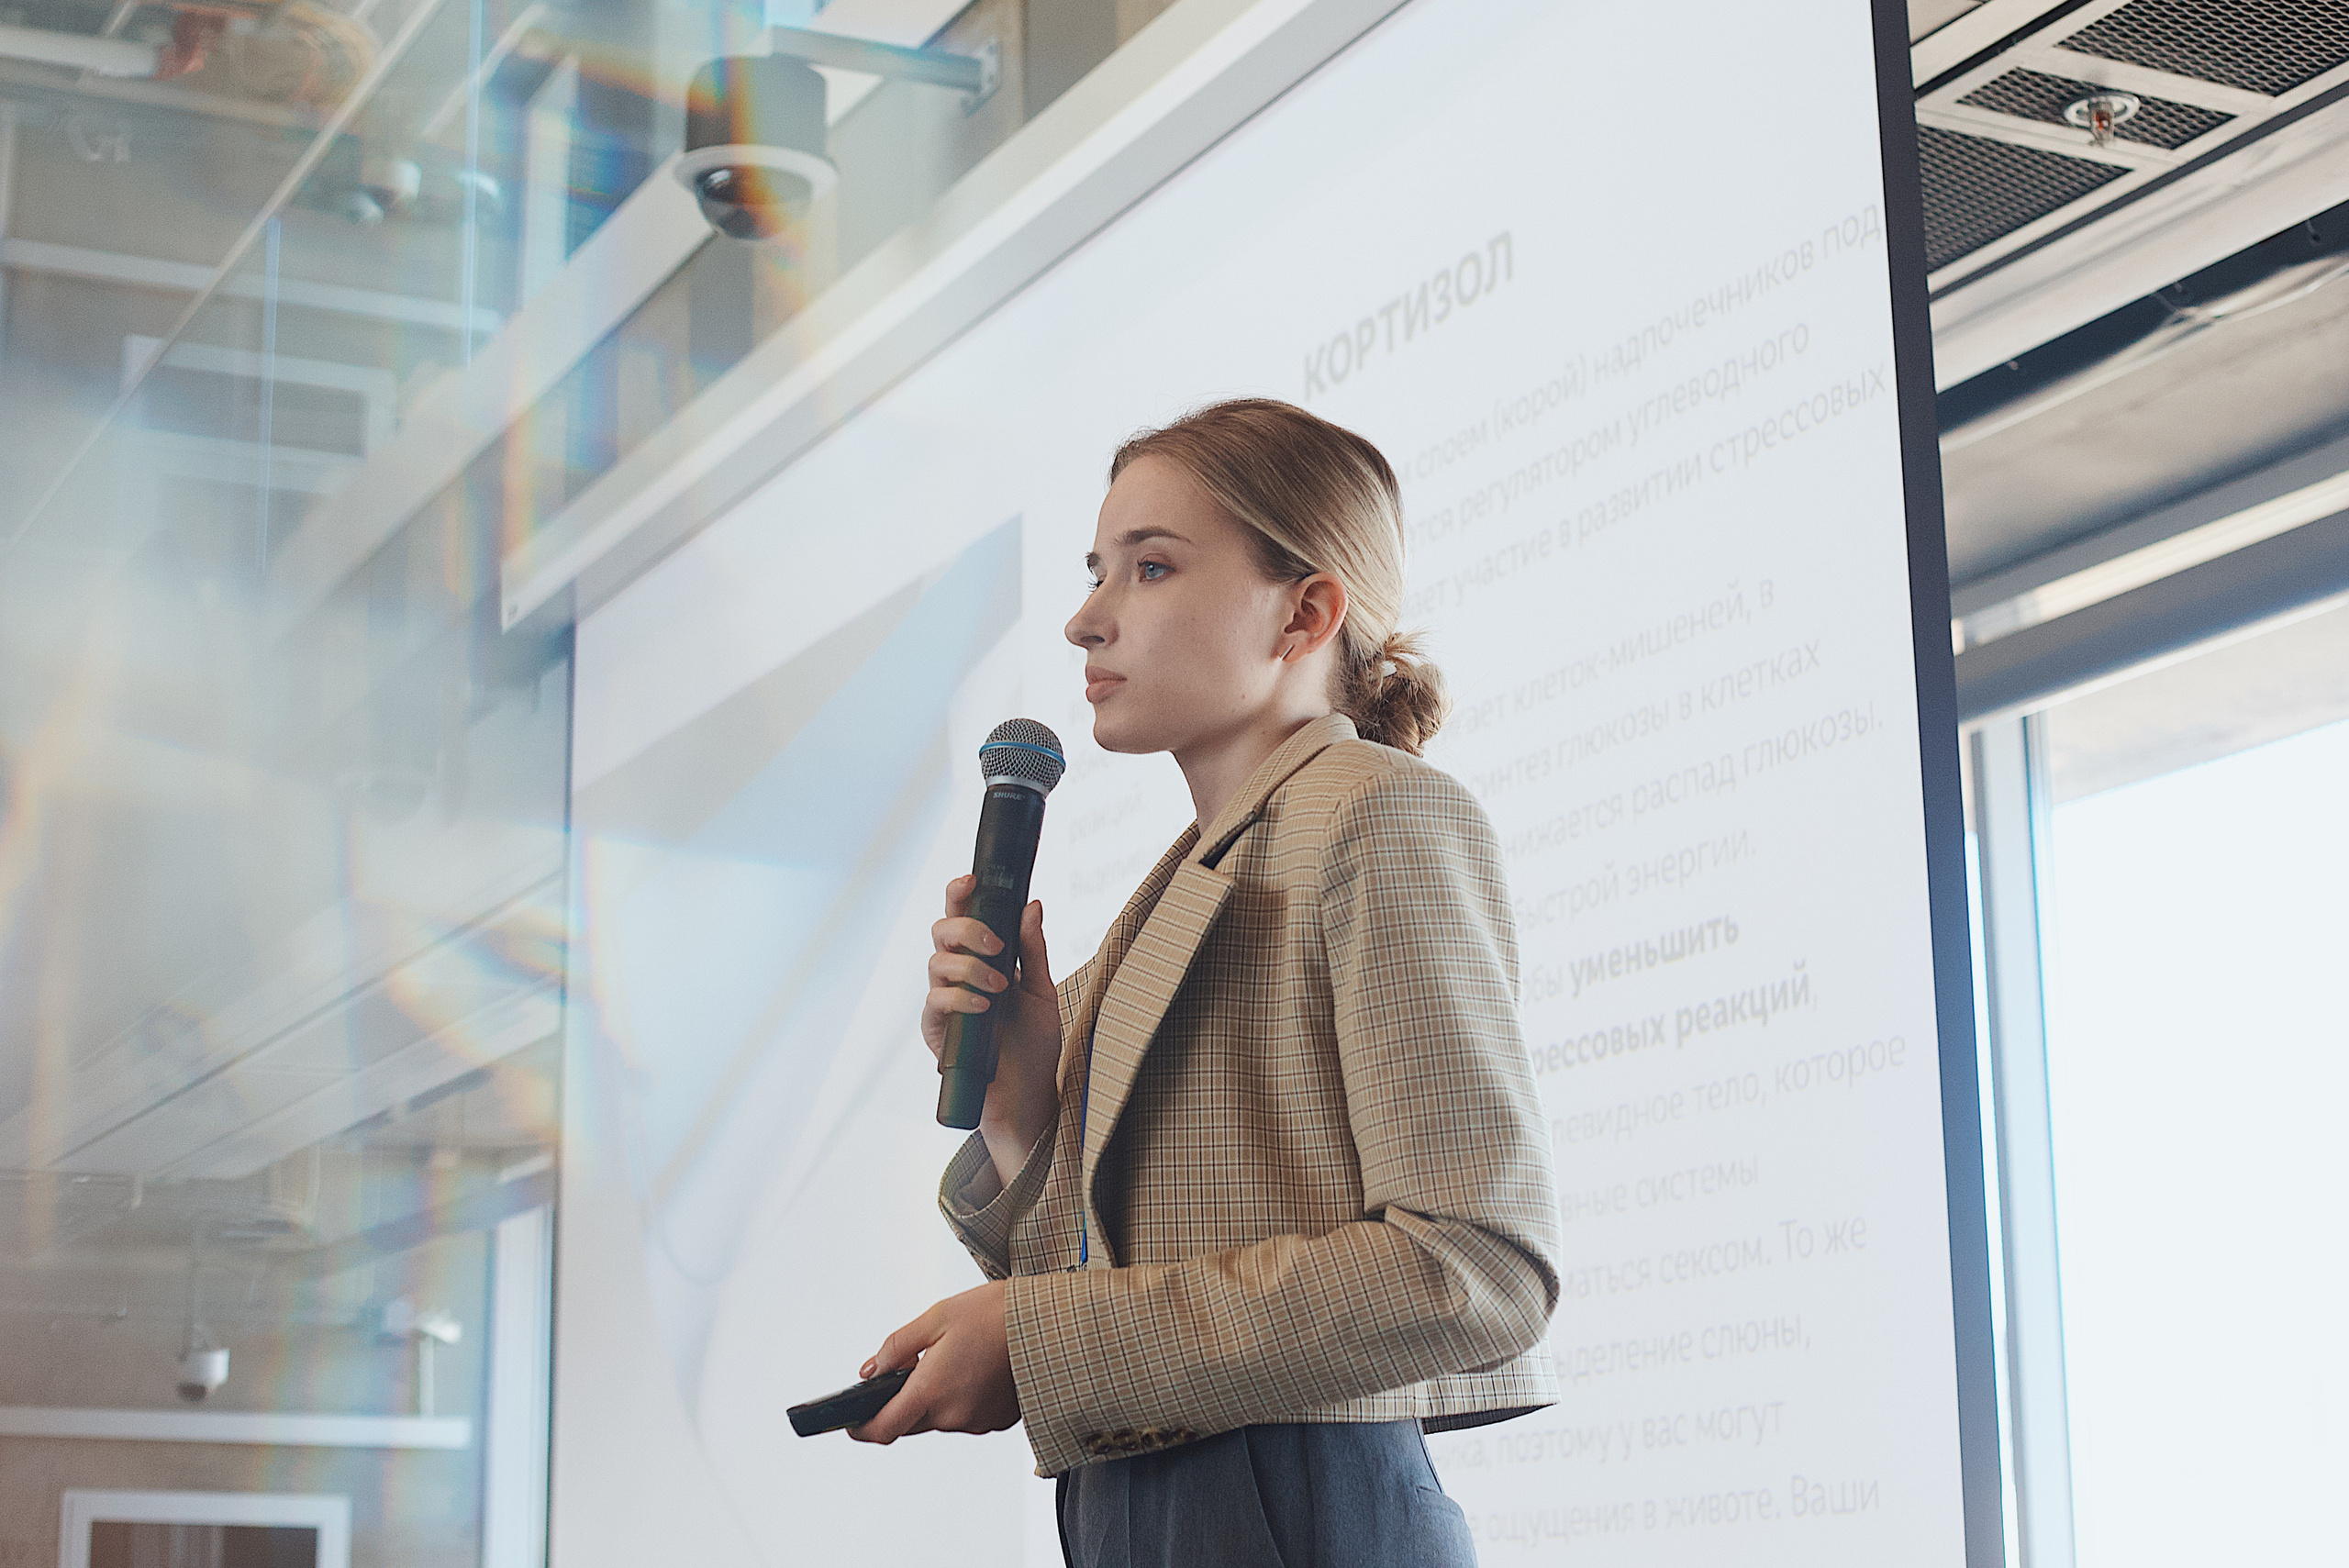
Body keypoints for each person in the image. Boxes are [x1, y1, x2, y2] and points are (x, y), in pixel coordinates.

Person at [852, 398, 1561, 1566]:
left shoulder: (1378, 816)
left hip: (1295, 1498)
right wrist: (1025, 1117)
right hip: (1158, 1499)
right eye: (1096, 571)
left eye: (1151, 566)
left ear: (1306, 610)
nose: (1086, 619)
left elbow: (1478, 1265)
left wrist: (1038, 1341)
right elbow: (1112, 1262)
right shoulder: (1182, 885)